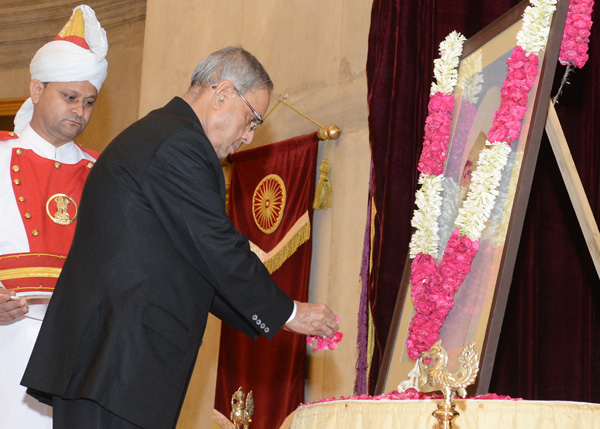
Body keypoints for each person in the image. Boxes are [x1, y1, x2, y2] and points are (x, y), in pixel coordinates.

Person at [22, 46, 339, 429]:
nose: (249, 136)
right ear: (222, 94)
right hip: (116, 366)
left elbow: (199, 263)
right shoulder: (178, 143)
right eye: (251, 119)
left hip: (114, 373)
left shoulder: (164, 134)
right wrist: (288, 312)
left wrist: (276, 315)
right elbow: (216, 246)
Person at [0, 5, 108, 428]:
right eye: (69, 97)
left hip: (80, 351)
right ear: (36, 88)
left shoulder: (107, 173)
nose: (80, 111)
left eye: (89, 101)